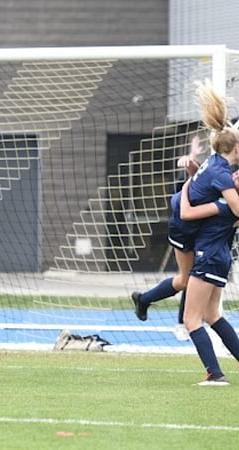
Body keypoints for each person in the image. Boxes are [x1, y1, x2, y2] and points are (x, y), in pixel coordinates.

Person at [178, 80, 239, 385]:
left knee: (191, 319)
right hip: (218, 253)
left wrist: (185, 191)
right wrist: (191, 174)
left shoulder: (223, 189)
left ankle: (215, 374)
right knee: (212, 314)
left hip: (210, 252)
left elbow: (188, 212)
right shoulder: (218, 170)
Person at [131, 135, 206, 340]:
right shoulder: (219, 165)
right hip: (185, 224)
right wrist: (190, 159)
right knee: (187, 278)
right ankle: (157, 307)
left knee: (199, 276)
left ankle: (185, 321)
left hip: (204, 225)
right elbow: (198, 176)